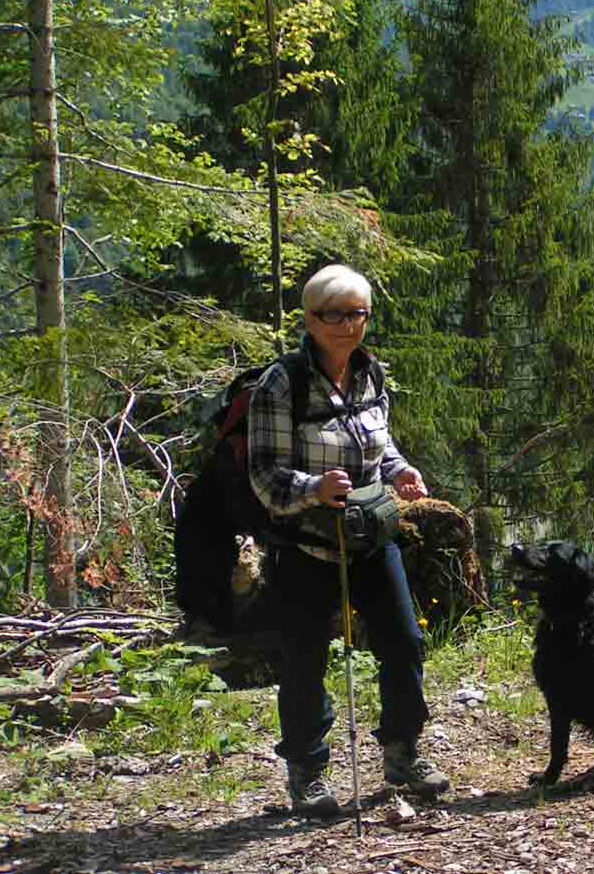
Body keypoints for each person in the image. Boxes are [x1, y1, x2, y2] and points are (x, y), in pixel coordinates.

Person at [248, 263, 449, 816]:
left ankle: (403, 753)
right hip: (305, 544)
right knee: (305, 659)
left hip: (369, 536)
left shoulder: (370, 373)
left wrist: (401, 470)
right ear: (310, 320)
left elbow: (379, 447)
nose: (345, 324)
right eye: (331, 314)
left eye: (355, 313)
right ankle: (308, 774)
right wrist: (315, 487)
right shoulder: (281, 383)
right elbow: (264, 476)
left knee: (404, 641)